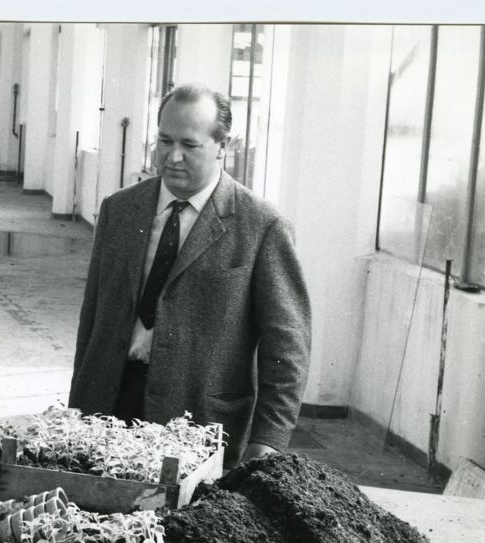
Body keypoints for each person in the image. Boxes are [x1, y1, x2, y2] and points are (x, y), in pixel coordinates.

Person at [68, 83, 311, 466]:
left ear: (222, 146)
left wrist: (269, 439)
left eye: (189, 145)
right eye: (164, 141)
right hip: (107, 407)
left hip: (200, 422)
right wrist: (78, 407)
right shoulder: (119, 210)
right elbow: (92, 318)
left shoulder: (262, 226)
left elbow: (287, 347)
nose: (173, 156)